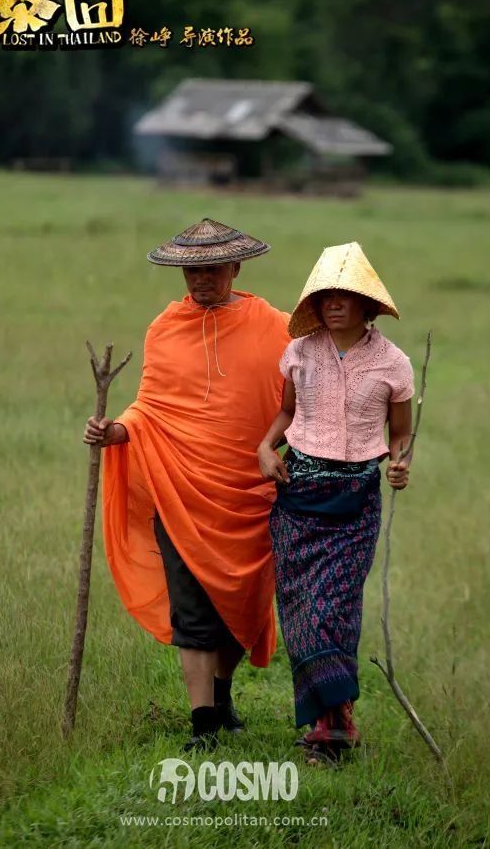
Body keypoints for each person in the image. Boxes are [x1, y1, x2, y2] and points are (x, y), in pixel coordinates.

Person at [84, 218, 290, 751]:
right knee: (193, 612)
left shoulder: (277, 327)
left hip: (249, 494)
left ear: (236, 268)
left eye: (212, 269)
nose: (201, 279)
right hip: (177, 489)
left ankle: (221, 697)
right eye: (192, 271)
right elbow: (152, 406)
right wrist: (116, 431)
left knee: (242, 606)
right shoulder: (164, 329)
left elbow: (300, 399)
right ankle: (203, 726)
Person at [257, 241, 414, 763]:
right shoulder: (299, 353)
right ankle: (332, 727)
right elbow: (285, 416)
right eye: (326, 297)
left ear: (368, 304)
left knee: (336, 611)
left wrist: (399, 462)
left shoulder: (394, 363)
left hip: (355, 504)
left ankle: (335, 722)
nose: (335, 304)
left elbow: (402, 433)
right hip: (298, 499)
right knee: (302, 611)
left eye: (346, 296)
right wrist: (264, 448)